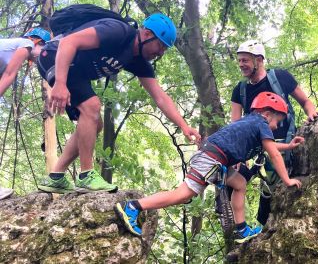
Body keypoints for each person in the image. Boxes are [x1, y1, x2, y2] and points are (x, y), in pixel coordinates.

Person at [36, 13, 200, 194]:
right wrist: (60, 83)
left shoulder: (138, 61)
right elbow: (68, 43)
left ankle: (56, 177)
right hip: (53, 56)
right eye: (160, 45)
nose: (161, 53)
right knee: (92, 106)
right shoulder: (117, 32)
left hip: (74, 71)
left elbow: (160, 97)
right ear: (146, 34)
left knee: (95, 123)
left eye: (164, 49)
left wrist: (184, 126)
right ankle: (86, 176)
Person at [114, 92, 304, 243]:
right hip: (212, 159)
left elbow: (269, 146)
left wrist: (288, 146)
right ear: (267, 113)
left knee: (239, 184)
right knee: (183, 194)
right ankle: (133, 207)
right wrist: (287, 180)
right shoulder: (260, 122)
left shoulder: (251, 122)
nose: (276, 127)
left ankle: (242, 229)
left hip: (216, 158)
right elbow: (273, 153)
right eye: (277, 122)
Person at [229, 39, 318, 226]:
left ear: (259, 59)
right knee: (232, 180)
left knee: (275, 194)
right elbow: (235, 126)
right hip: (259, 148)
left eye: (245, 60)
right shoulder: (240, 91)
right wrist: (238, 157)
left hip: (287, 143)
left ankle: (267, 229)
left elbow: (305, 102)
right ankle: (240, 231)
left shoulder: (280, 77)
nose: (241, 65)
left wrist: (312, 114)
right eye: (239, 61)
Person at [0, 27, 51, 200]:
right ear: (38, 42)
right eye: (44, 50)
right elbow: (9, 75)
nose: (41, 56)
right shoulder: (26, 44)